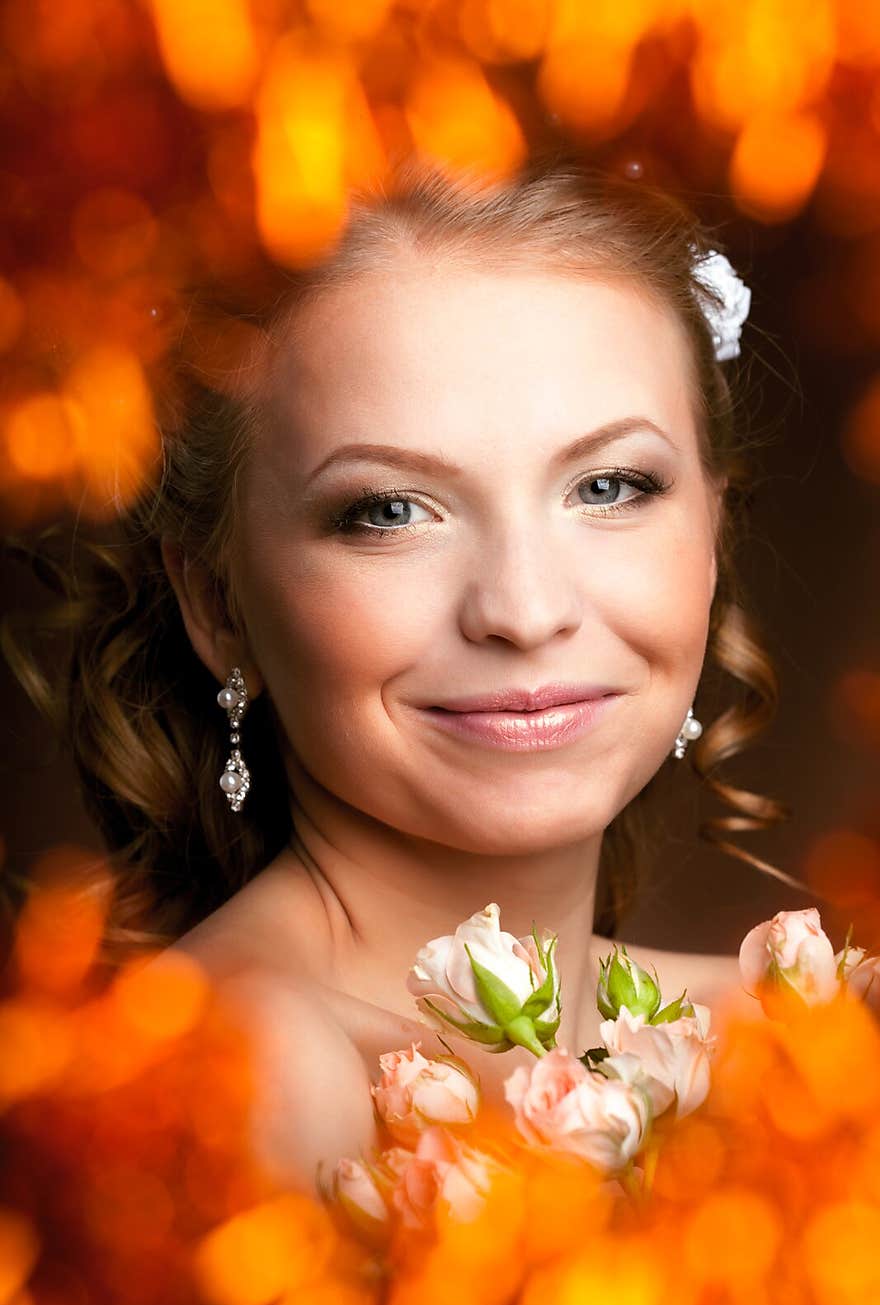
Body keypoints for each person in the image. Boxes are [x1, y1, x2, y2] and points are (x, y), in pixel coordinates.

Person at [5, 155, 818, 1193]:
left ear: (712, 534)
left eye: (609, 486)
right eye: (388, 510)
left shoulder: (797, 1039)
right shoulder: (241, 1076)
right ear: (218, 607)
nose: (523, 612)